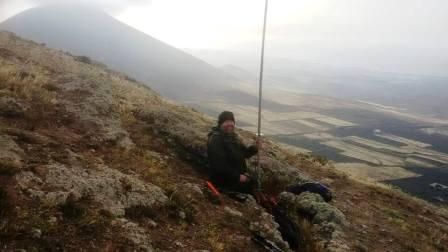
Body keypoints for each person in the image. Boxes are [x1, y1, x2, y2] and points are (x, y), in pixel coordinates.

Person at [207, 111, 261, 194]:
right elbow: (219, 166)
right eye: (226, 122)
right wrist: (238, 176)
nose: (229, 124)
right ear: (220, 123)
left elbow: (244, 154)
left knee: (255, 182)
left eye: (231, 122)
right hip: (223, 181)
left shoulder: (232, 137)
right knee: (251, 187)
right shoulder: (216, 140)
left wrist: (254, 148)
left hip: (234, 177)